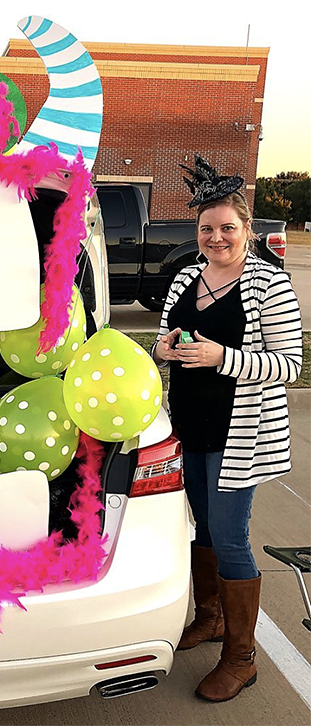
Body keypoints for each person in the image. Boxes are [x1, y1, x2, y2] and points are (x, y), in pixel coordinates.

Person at [153, 154, 303, 702]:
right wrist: (164, 350)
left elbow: (289, 364)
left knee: (231, 537)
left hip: (241, 433)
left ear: (247, 230)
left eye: (227, 228)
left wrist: (224, 357)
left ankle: (242, 658)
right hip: (189, 424)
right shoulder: (187, 277)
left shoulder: (269, 284)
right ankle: (210, 617)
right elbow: (163, 340)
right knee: (201, 529)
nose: (216, 237)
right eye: (207, 228)